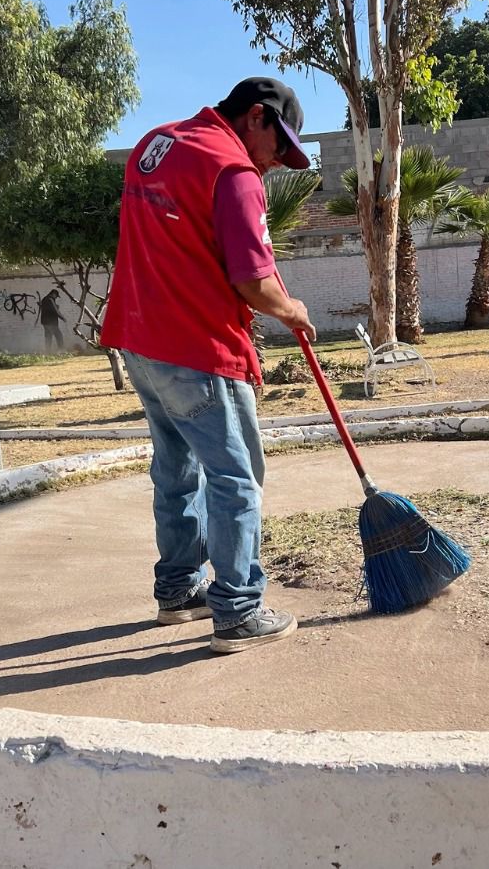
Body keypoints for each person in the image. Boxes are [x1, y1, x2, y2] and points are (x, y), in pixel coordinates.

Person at [101, 77, 317, 655]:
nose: (275, 166)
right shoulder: (234, 171)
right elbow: (250, 280)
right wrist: (291, 308)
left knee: (176, 470)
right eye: (279, 148)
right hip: (197, 349)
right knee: (236, 476)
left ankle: (177, 590)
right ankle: (239, 610)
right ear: (256, 118)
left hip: (140, 341)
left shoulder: (155, 146)